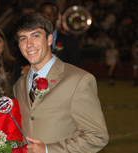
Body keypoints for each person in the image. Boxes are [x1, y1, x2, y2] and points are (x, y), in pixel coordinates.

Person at [13, 12, 109, 152]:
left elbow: (98, 136)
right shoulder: (19, 85)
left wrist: (48, 149)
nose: (29, 44)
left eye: (35, 36)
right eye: (23, 39)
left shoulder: (79, 80)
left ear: (50, 39)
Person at [14, 1, 81, 83]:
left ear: (57, 17)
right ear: (39, 16)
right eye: (45, 13)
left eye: (52, 14)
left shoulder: (71, 42)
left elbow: (76, 71)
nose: (48, 16)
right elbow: (18, 71)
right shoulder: (26, 42)